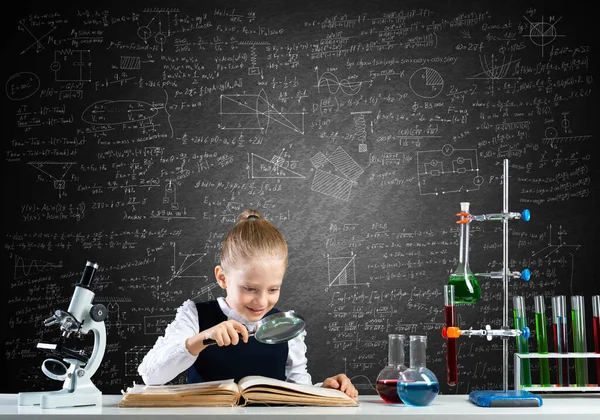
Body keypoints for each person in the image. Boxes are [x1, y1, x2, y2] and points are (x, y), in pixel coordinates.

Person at [138, 209, 358, 398]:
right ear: (222, 278)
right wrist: (203, 338)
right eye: (250, 289)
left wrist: (326, 390)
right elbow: (151, 376)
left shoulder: (287, 326)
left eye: (273, 289)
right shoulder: (194, 316)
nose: (262, 301)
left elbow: (299, 391)